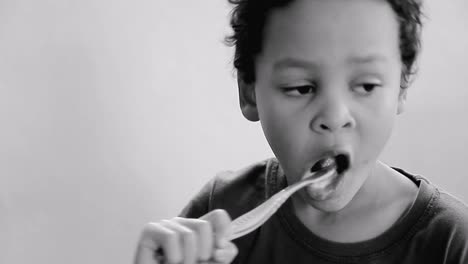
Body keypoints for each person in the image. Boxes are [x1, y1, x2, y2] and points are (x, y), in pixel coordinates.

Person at [134, 0, 468, 263]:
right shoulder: (218, 213)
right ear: (249, 92)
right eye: (301, 87)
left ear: (401, 87)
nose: (335, 117)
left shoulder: (452, 244)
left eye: (366, 85)